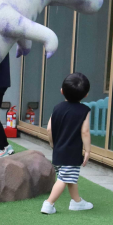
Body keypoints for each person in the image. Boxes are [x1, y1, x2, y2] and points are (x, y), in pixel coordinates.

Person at [41, 73, 94, 214]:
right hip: (72, 153)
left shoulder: (57, 108)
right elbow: (85, 132)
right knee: (64, 179)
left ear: (62, 91)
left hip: (58, 151)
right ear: (86, 95)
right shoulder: (84, 111)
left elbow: (49, 129)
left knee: (68, 177)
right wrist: (88, 150)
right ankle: (49, 203)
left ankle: (77, 202)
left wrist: (52, 143)